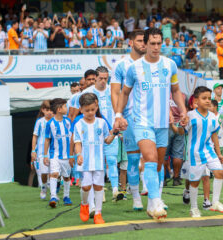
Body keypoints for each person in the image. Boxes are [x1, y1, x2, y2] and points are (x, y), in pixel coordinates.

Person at [114, 28, 187, 221]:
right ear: (145, 44)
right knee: (150, 158)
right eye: (152, 43)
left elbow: (176, 90)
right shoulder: (134, 68)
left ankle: (155, 200)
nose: (156, 47)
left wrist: (183, 110)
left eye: (158, 43)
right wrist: (118, 115)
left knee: (159, 164)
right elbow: (124, 93)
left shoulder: (170, 65)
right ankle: (154, 203)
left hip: (163, 123)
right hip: (142, 122)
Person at [110, 29, 146, 210]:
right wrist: (119, 115)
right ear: (131, 42)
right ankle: (136, 198)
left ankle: (156, 197)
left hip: (150, 118)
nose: (143, 44)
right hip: (130, 118)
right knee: (132, 160)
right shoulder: (121, 65)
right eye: (140, 40)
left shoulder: (153, 64)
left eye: (145, 41)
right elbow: (115, 92)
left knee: (155, 158)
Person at [186, 86, 223, 218]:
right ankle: (194, 208)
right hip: (194, 153)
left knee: (219, 172)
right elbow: (181, 131)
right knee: (195, 182)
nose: (207, 101)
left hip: (209, 151)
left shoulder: (213, 117)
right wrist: (177, 125)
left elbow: (215, 135)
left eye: (209, 98)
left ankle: (215, 202)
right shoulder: (190, 115)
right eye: (204, 98)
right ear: (196, 100)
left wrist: (219, 153)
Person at [74, 93, 117, 224]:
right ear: (81, 109)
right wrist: (79, 155)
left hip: (99, 162)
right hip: (85, 163)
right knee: (86, 187)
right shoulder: (78, 124)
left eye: (93, 109)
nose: (90, 112)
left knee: (98, 187)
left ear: (96, 107)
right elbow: (77, 143)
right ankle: (84, 204)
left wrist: (114, 134)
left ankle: (98, 213)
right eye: (87, 110)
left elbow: (107, 140)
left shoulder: (102, 123)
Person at [44, 98, 73, 208]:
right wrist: (45, 155)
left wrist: (72, 154)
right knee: (54, 174)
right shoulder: (50, 123)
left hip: (66, 156)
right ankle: (53, 196)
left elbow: (71, 138)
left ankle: (66, 196)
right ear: (59, 109)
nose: (67, 108)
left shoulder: (68, 122)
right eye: (65, 106)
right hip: (54, 154)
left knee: (66, 177)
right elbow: (47, 139)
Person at [31, 101, 53, 199]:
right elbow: (35, 136)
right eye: (47, 110)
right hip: (41, 151)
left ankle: (53, 193)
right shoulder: (40, 121)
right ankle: (44, 188)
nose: (49, 112)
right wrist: (33, 150)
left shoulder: (55, 121)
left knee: (54, 172)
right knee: (44, 173)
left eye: (51, 110)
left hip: (53, 150)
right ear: (43, 110)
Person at [210, 100, 223, 178]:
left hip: (221, 140)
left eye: (210, 106)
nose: (209, 108)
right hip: (210, 140)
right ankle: (210, 172)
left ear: (215, 107)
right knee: (211, 155)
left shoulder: (221, 116)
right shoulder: (208, 116)